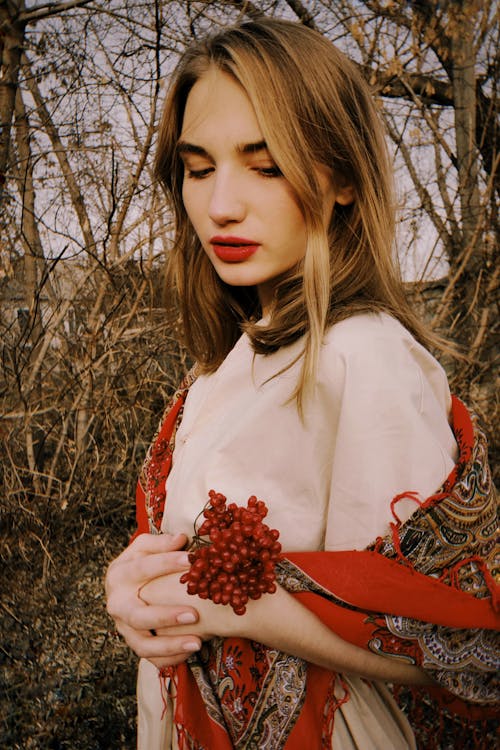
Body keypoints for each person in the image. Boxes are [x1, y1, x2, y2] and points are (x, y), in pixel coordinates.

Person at [105, 17, 498, 750]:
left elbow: (463, 644)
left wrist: (230, 601)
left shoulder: (364, 359)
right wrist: (130, 592)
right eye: (198, 168)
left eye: (266, 164)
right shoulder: (224, 369)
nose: (221, 204)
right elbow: (178, 560)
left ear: (342, 177)